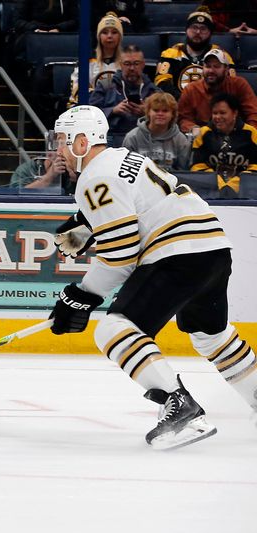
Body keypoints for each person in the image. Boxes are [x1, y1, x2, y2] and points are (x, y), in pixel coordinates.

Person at [47, 104, 257, 450]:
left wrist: (80, 296)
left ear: (82, 141)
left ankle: (179, 406)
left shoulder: (93, 176)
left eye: (61, 141)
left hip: (178, 253)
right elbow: (142, 201)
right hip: (213, 248)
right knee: (210, 336)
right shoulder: (123, 157)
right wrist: (88, 222)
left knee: (115, 328)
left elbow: (121, 256)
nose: (58, 150)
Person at [154, 7, 234, 100]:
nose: (198, 32)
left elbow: (230, 85)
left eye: (203, 28)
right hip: (177, 106)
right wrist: (183, 101)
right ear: (186, 30)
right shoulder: (171, 54)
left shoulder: (223, 56)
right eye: (194, 27)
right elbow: (161, 82)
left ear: (210, 33)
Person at [190, 92, 257, 198]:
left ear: (234, 113)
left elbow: (255, 166)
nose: (217, 117)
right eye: (215, 113)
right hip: (210, 192)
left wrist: (236, 183)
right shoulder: (203, 133)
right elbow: (196, 166)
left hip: (246, 193)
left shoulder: (251, 133)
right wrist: (217, 181)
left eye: (222, 113)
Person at [88, 45, 158, 146]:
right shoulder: (105, 85)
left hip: (144, 138)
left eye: (136, 64)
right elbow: (91, 114)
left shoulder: (153, 90)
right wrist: (113, 110)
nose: (132, 68)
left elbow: (166, 117)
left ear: (143, 64)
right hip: (112, 137)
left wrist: (146, 112)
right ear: (120, 65)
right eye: (127, 64)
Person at [177, 49, 257, 135]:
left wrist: (250, 134)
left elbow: (253, 113)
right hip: (203, 137)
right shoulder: (191, 89)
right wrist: (193, 128)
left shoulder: (239, 84)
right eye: (208, 66)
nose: (211, 70)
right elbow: (183, 118)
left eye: (216, 66)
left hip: (235, 135)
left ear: (226, 69)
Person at [123, 92, 191, 172]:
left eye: (165, 111)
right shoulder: (132, 137)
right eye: (156, 110)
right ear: (148, 112)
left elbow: (184, 172)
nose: (160, 114)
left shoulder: (181, 140)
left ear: (173, 114)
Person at [68, 12, 123, 108]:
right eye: (105, 32)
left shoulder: (127, 62)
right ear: (99, 36)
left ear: (120, 37)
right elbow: (78, 92)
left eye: (114, 32)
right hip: (91, 110)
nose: (109, 36)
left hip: (121, 109)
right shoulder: (86, 61)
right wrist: (108, 106)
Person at [8, 150, 76, 192]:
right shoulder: (28, 169)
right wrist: (48, 177)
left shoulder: (70, 172)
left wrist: (75, 180)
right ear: (49, 154)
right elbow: (15, 194)